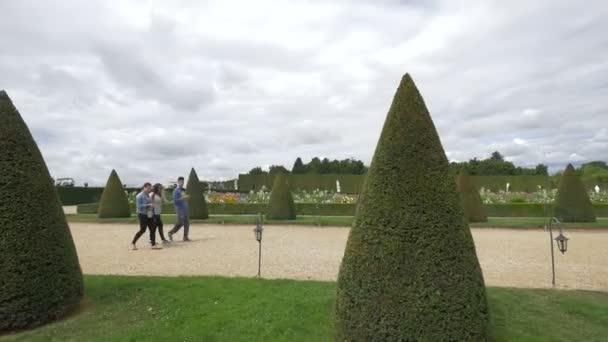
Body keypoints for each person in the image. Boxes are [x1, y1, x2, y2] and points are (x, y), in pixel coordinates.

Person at [131, 182, 161, 250]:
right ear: (144, 187)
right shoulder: (139, 196)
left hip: (149, 214)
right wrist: (148, 205)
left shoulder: (148, 195)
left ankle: (153, 245)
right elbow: (138, 206)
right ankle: (133, 243)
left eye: (150, 188)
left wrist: (152, 207)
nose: (149, 190)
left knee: (152, 229)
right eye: (148, 188)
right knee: (142, 230)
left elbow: (149, 203)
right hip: (142, 214)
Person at [168, 176, 191, 242]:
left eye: (183, 181)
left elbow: (184, 198)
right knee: (180, 222)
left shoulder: (183, 190)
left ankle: (185, 237)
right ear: (178, 182)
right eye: (181, 182)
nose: (182, 183)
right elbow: (175, 201)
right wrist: (183, 198)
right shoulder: (176, 191)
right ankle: (171, 232)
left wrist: (186, 198)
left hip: (185, 209)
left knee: (187, 223)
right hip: (179, 209)